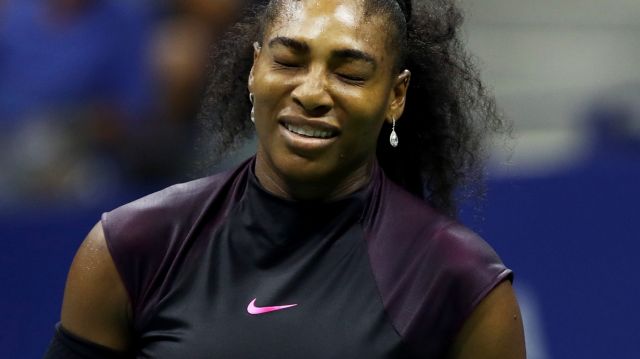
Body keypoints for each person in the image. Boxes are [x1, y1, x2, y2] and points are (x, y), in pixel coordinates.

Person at [45, 0, 526, 358]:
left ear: (396, 96)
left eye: (350, 73)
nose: (312, 92)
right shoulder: (129, 247)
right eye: (288, 61)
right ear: (255, 69)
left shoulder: (459, 283)